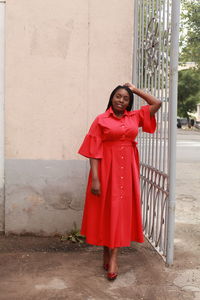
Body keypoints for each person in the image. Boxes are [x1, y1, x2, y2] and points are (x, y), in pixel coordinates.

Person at [78, 82, 161, 280]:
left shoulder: (135, 116)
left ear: (129, 102)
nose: (121, 101)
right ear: (111, 98)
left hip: (128, 171)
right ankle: (107, 250)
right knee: (107, 212)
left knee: (119, 213)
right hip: (107, 170)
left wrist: (135, 90)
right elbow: (93, 151)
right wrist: (96, 180)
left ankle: (113, 256)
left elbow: (156, 103)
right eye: (118, 96)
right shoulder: (100, 120)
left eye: (125, 98)